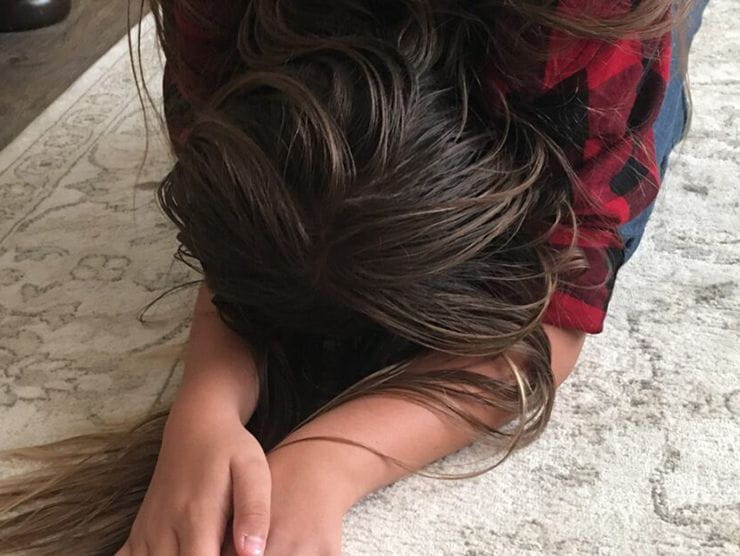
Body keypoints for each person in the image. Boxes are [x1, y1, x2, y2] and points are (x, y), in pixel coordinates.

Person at [0, 1, 708, 555]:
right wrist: (205, 413)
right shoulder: (212, 21)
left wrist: (327, 464)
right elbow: (239, 240)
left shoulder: (594, 21)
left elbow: (559, 303)